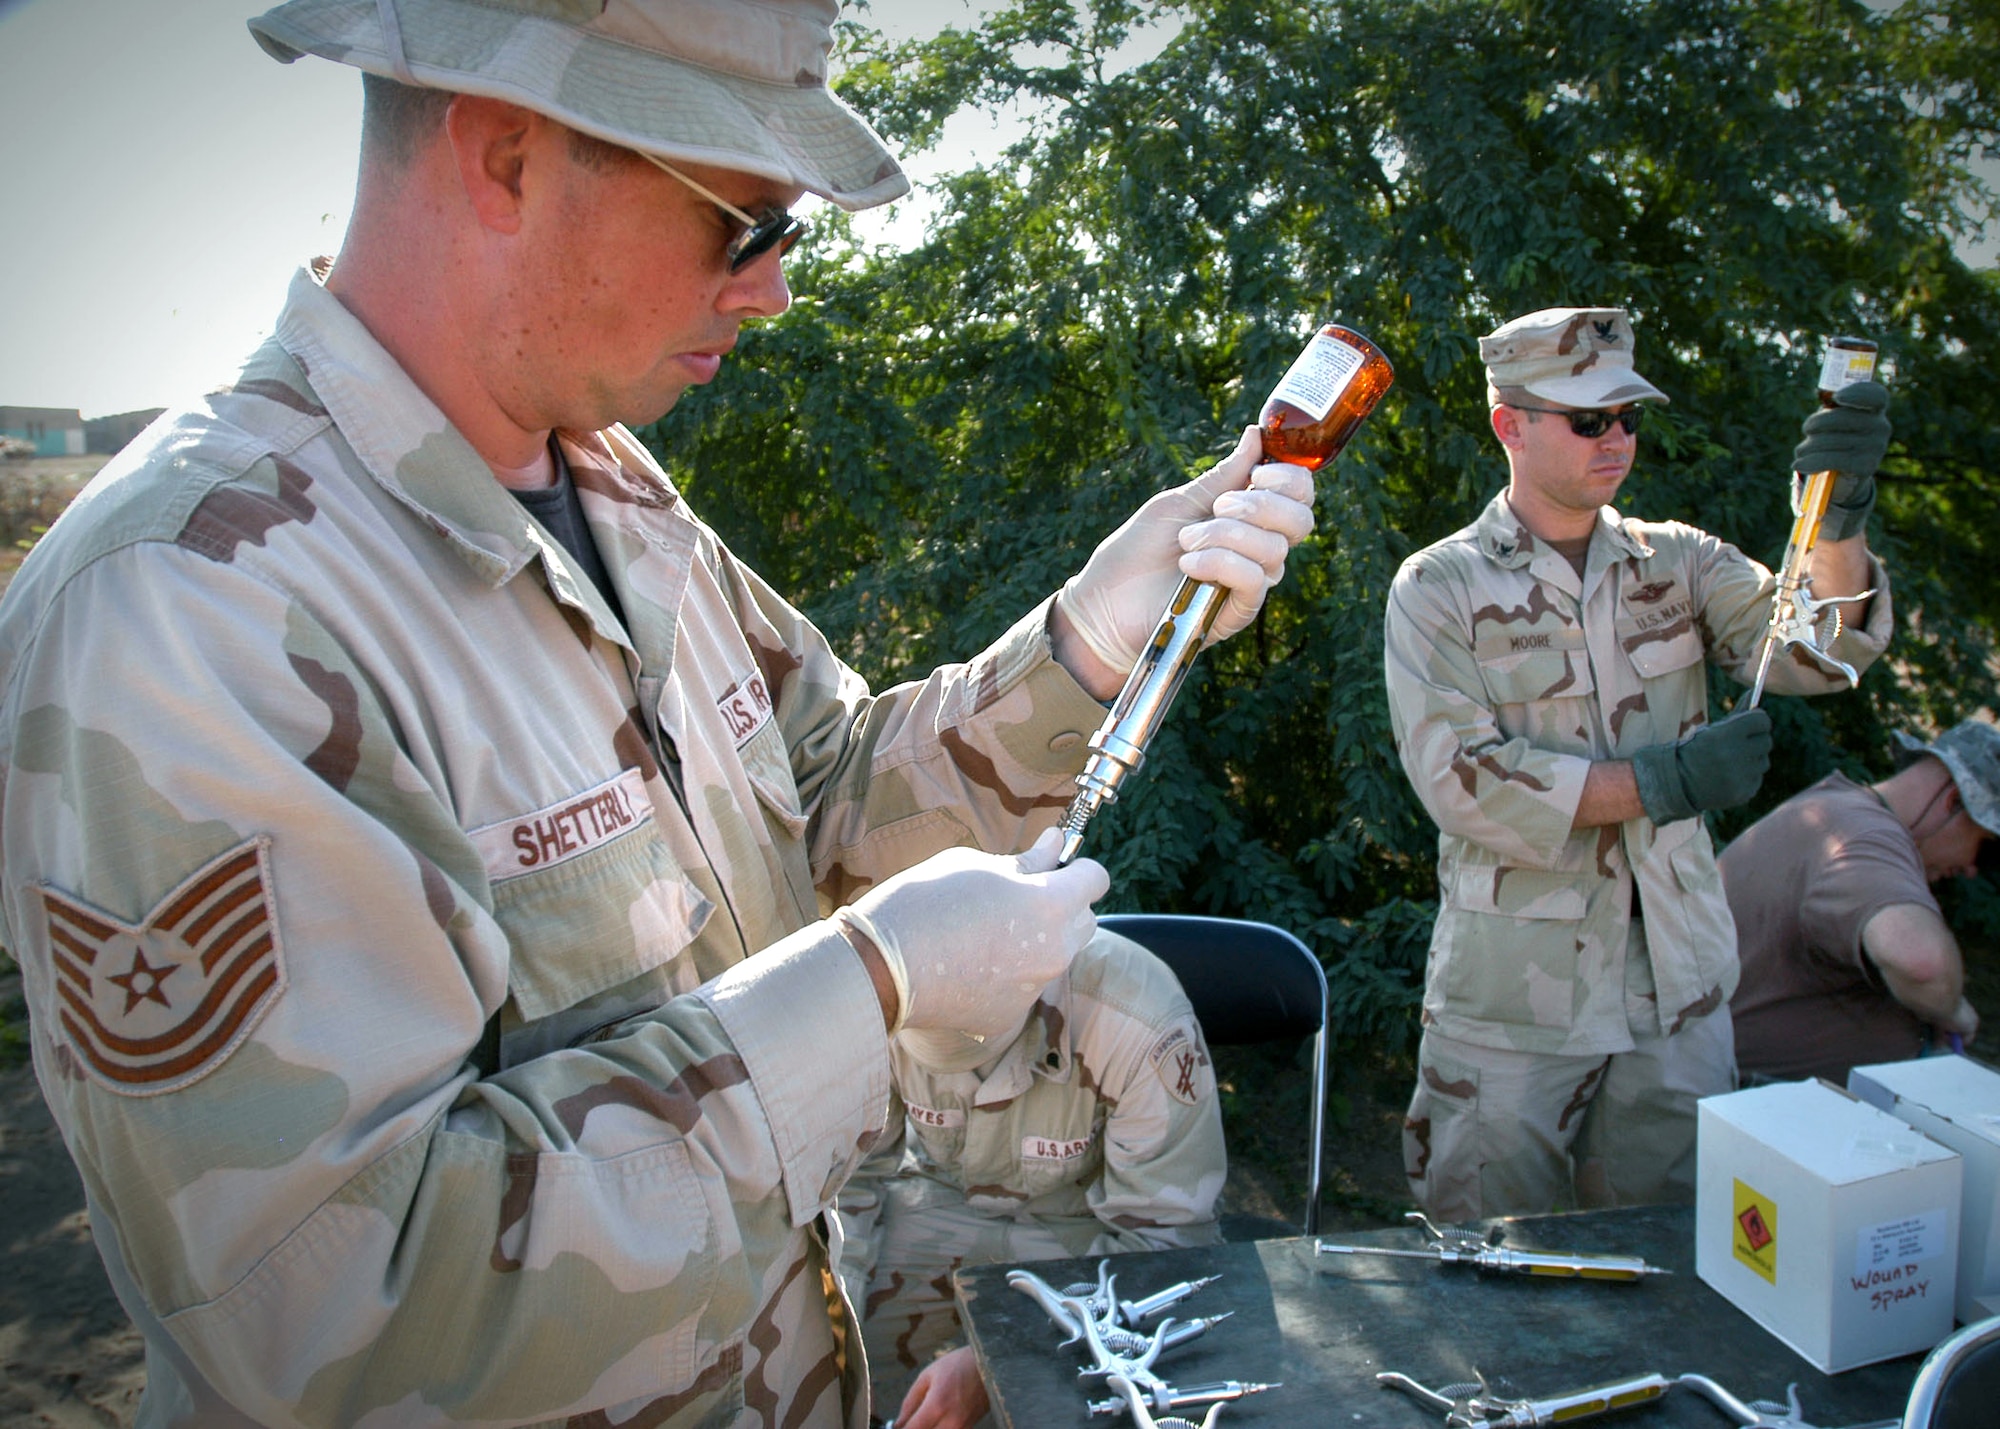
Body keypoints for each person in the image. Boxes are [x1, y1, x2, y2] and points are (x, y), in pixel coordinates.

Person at [0, 2, 1319, 1425]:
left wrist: (1089, 640)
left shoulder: (609, 485)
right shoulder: (193, 605)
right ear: (506, 154)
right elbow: (336, 1313)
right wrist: (865, 997)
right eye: (745, 223)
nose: (773, 294)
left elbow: (822, 799)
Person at [1383, 306, 1894, 1222]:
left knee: (1669, 1250)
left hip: (1680, 988)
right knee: (1491, 1259)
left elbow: (1820, 656)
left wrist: (1839, 519)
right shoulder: (1439, 587)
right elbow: (1459, 779)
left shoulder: (1682, 563)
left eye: (1627, 417)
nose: (1614, 437)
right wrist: (1665, 782)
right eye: (1588, 420)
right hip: (1516, 1004)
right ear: (1511, 425)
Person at [834, 929, 1224, 1429]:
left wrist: (1001, 1354)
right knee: (829, 1375)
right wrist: (835, 1332)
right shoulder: (877, 990)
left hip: (1092, 1242)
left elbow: (1168, 1248)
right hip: (937, 1204)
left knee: (1089, 1398)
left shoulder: (1139, 1021)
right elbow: (845, 1188)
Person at [1723, 720, 1995, 1084]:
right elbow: (1922, 964)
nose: (1974, 869)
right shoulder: (1865, 838)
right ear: (1953, 802)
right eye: (1989, 848)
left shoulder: (1836, 810)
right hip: (1759, 1106)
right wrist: (1952, 1009)